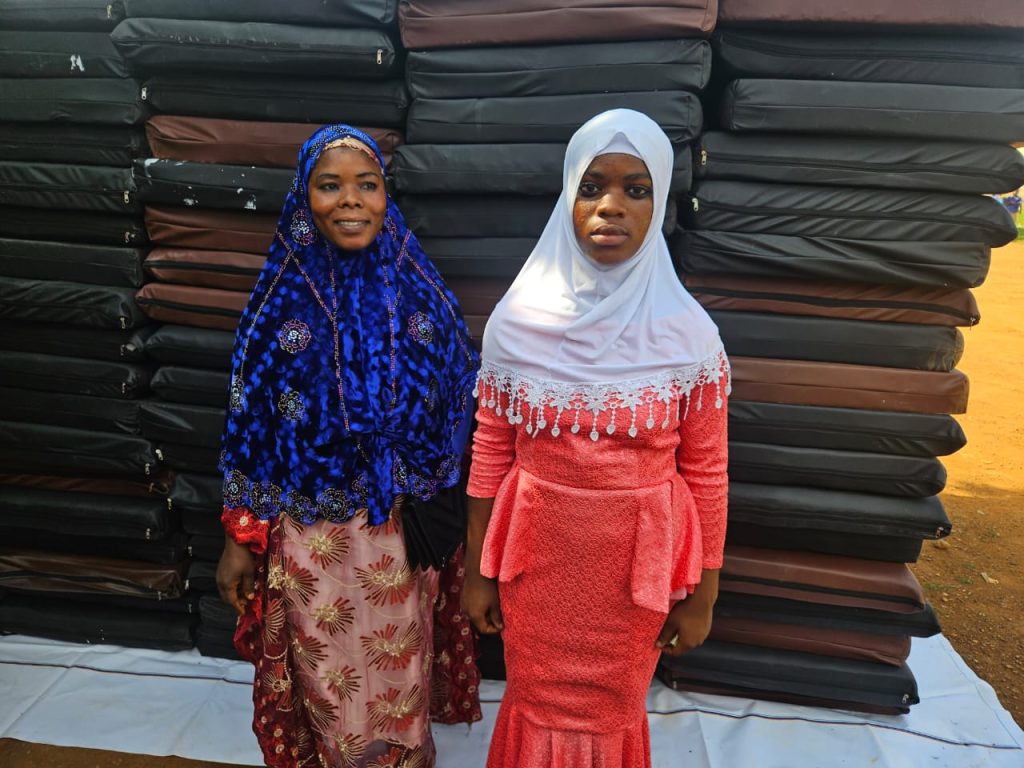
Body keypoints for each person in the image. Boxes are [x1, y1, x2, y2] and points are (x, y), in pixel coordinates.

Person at [462, 109, 730, 766]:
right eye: (592, 187)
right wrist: (476, 573)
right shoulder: (517, 322)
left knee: (612, 709)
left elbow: (707, 471)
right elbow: (490, 454)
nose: (612, 206)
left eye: (636, 189)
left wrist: (704, 594)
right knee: (535, 699)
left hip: (635, 572)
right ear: (567, 198)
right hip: (537, 562)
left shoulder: (689, 335)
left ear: (658, 204)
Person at [215, 124, 480, 768]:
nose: (351, 200)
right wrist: (239, 538)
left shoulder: (422, 295)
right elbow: (250, 433)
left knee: (400, 681)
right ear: (303, 199)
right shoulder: (278, 307)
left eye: (367, 184)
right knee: (332, 686)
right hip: (314, 542)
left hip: (402, 537)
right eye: (329, 185)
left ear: (387, 197)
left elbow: (464, 408)